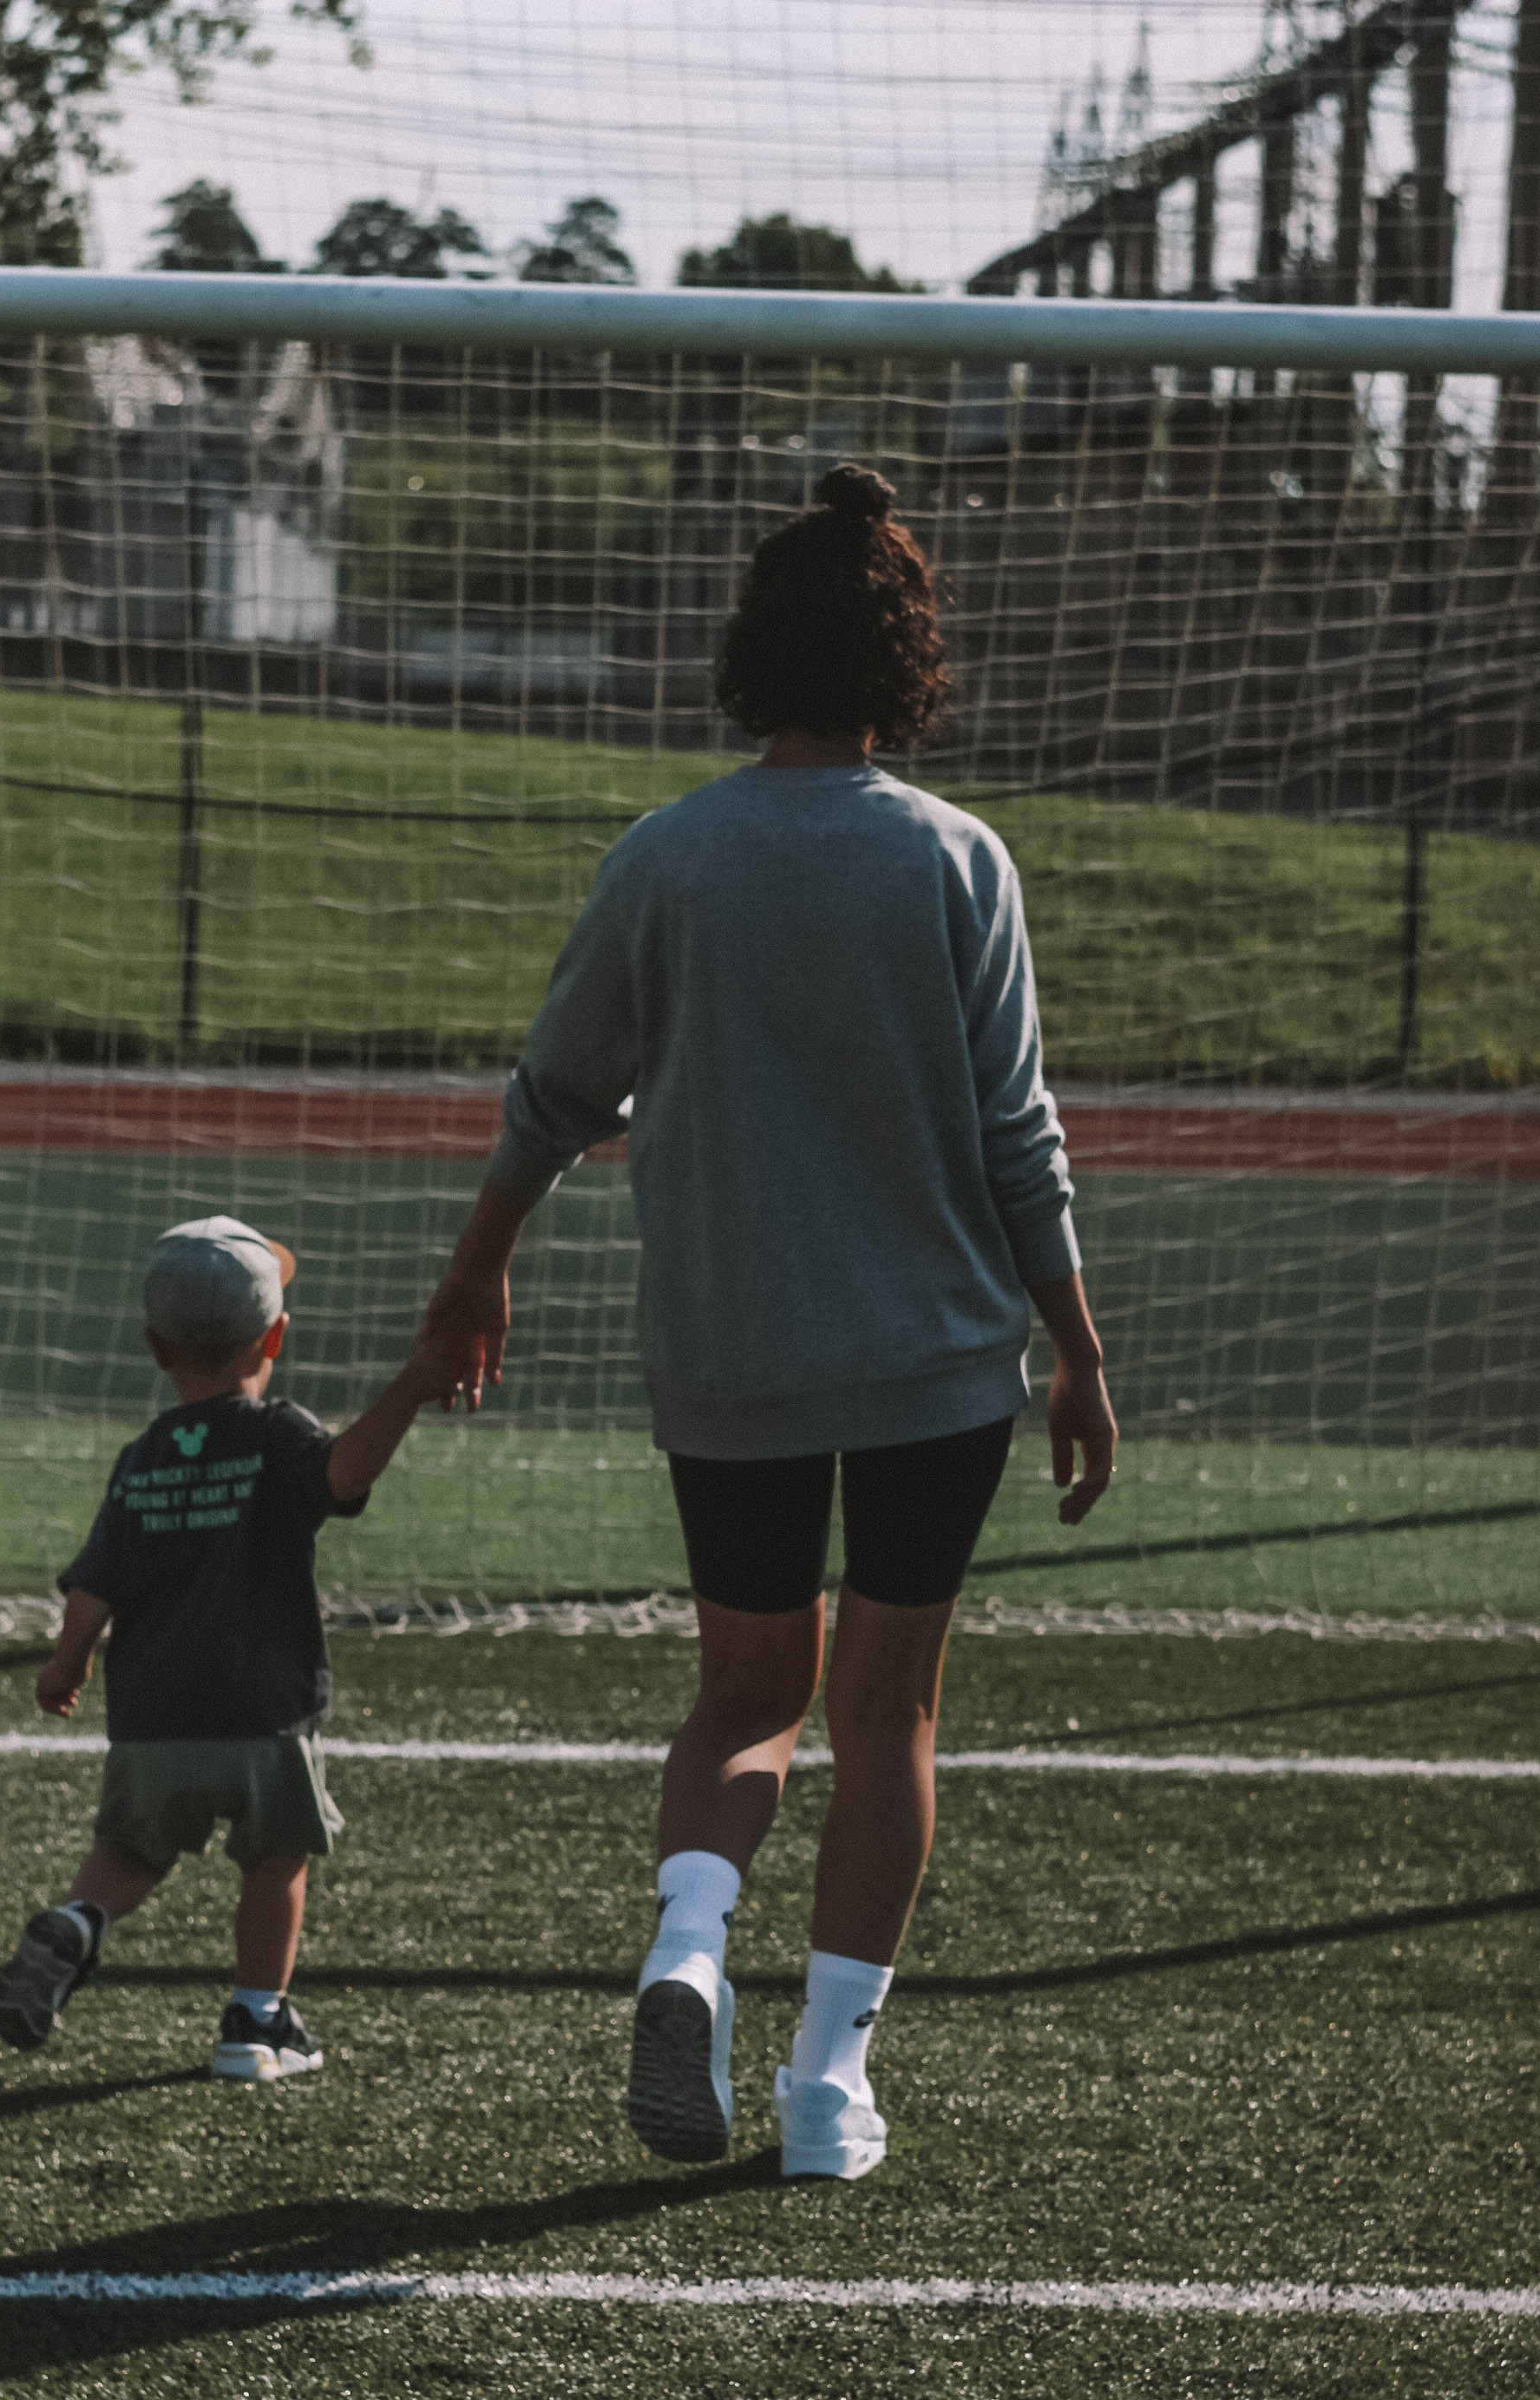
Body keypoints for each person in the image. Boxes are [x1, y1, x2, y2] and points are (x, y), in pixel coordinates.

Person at [424, 464, 1117, 2182]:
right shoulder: (958, 859)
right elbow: (1018, 1128)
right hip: (932, 1359)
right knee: (887, 1714)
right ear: (908, 661)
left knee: (746, 1695)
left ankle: (685, 1952)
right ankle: (828, 2087)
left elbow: (554, 1089)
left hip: (726, 1350)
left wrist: (477, 1261)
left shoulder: (666, 857)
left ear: (749, 654)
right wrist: (1080, 1344)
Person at [0, 1214, 453, 2082]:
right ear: (275, 1335)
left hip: (153, 1713)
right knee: (276, 1861)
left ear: (154, 1347)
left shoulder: (142, 1456)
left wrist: (66, 1663)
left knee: (129, 1852)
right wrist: (414, 1384)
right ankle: (256, 2021)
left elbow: (95, 1586)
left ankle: (78, 1922)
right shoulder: (275, 1433)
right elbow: (346, 1474)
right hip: (262, 1708)